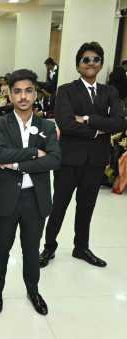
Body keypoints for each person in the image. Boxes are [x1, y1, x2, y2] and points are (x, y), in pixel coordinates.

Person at [40, 42, 126, 268]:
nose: (91, 63)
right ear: (78, 64)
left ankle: (81, 247)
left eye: (96, 59)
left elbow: (119, 122)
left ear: (101, 64)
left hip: (96, 161)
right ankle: (49, 246)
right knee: (59, 206)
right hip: (69, 160)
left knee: (86, 207)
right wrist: (100, 129)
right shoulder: (66, 90)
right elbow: (66, 124)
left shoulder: (110, 92)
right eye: (86, 59)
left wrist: (88, 119)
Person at [0, 69, 61, 316]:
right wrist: (33, 153)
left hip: (35, 199)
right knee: (2, 247)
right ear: (9, 94)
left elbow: (54, 160)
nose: (23, 96)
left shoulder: (47, 126)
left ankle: (33, 290)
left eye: (28, 91)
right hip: (6, 197)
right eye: (17, 91)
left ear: (35, 94)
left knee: (31, 249)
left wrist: (16, 164)